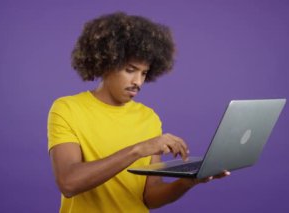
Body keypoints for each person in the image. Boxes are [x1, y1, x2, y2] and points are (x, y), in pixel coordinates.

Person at [47, 12, 230, 213]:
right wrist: (139, 149)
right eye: (130, 69)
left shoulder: (148, 118)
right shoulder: (67, 109)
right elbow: (69, 183)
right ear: (106, 63)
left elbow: (150, 197)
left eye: (144, 73)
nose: (138, 82)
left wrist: (188, 182)